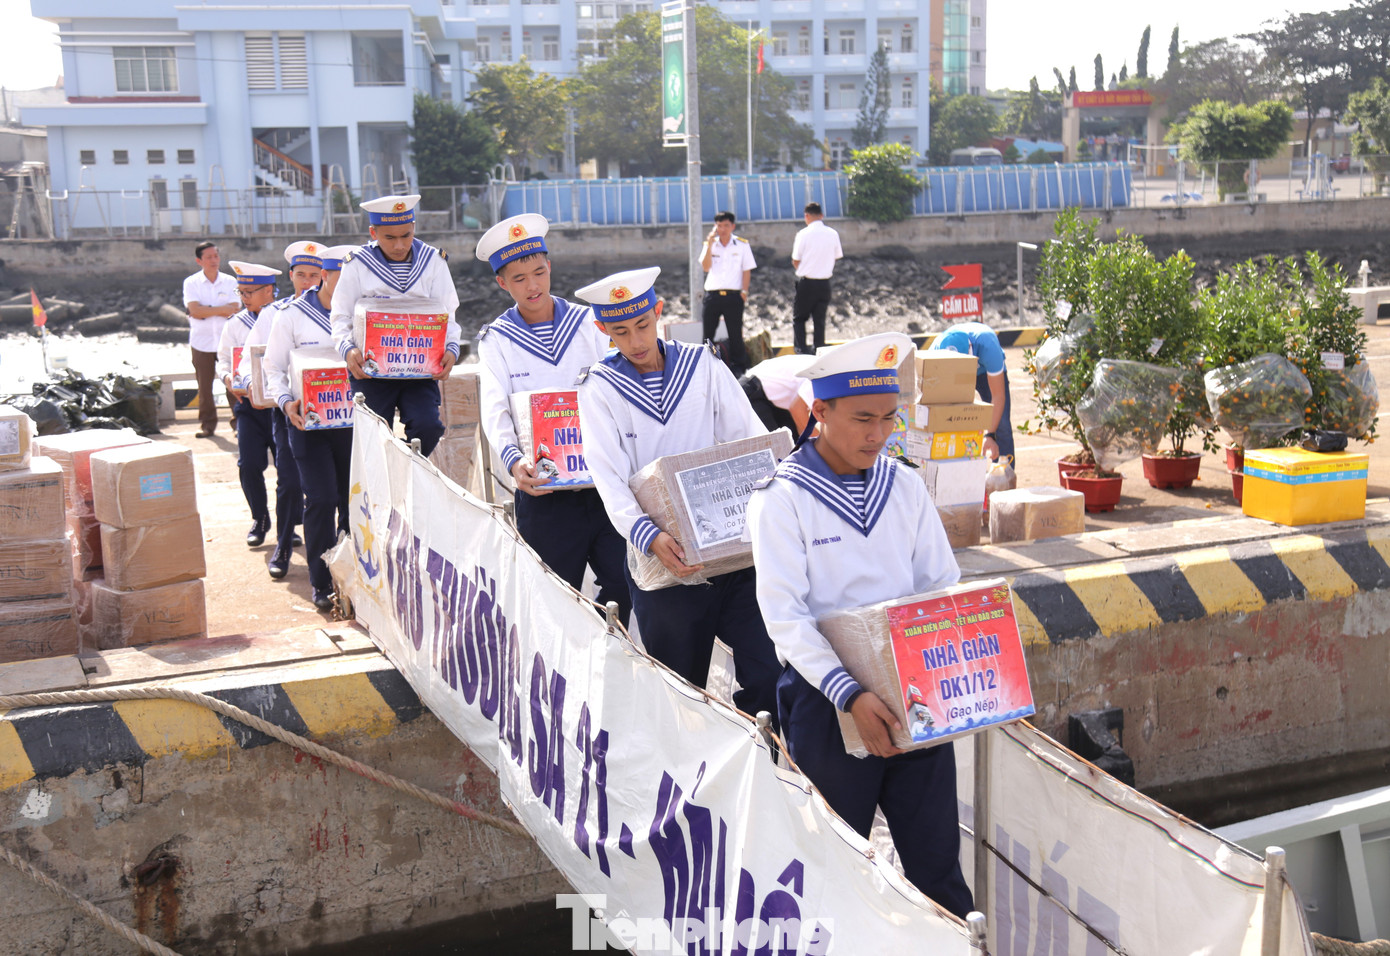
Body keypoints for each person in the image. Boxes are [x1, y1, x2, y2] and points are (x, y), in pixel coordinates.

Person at [746, 331, 974, 919]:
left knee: (938, 870)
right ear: (819, 411)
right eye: (863, 419)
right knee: (830, 870)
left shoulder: (905, 485)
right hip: (828, 703)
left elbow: (939, 585)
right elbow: (786, 619)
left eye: (889, 418)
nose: (878, 434)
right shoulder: (781, 499)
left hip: (914, 696)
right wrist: (850, 696)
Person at [577, 267, 781, 726]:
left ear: (659, 311)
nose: (636, 341)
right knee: (678, 691)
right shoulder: (599, 388)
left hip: (734, 552)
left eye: (643, 324)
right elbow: (608, 477)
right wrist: (649, 536)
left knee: (769, 675)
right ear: (603, 329)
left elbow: (749, 439)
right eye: (621, 332)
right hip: (663, 559)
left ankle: (762, 761)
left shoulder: (703, 364)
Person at [475, 213, 632, 627]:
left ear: (550, 266)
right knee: (551, 599)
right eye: (520, 278)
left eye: (539, 272)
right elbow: (494, 409)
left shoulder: (589, 324)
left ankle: (603, 655)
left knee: (623, 586)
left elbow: (619, 385)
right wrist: (514, 462)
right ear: (502, 283)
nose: (533, 285)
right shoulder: (497, 341)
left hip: (603, 484)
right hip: (543, 491)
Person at [330, 194, 461, 457]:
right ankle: (387, 467)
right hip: (371, 372)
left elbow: (448, 313)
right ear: (373, 233)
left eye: (406, 235)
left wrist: (451, 348)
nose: (399, 245)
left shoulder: (433, 261)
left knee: (428, 427)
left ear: (414, 228)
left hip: (420, 368)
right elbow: (341, 315)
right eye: (389, 237)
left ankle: (403, 462)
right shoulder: (357, 264)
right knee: (373, 436)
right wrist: (348, 349)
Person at [265, 244, 358, 611]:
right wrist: (286, 402)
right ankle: (321, 582)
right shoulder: (291, 316)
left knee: (353, 501)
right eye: (340, 277)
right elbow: (273, 368)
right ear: (325, 276)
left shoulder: (362, 314)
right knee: (320, 499)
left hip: (353, 423)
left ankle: (354, 576)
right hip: (308, 423)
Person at [242, 239, 324, 578]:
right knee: (289, 481)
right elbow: (250, 358)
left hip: (332, 413)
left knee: (330, 487)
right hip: (288, 409)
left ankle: (334, 553)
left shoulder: (337, 312)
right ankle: (284, 546)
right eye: (301, 275)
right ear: (290, 276)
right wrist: (250, 383)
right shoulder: (275, 313)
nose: (307, 282)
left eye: (314, 275)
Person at [216, 261, 283, 549]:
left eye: (249, 292)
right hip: (248, 408)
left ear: (268, 291)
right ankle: (260, 518)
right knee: (249, 464)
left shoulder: (285, 316)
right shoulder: (234, 324)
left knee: (287, 469)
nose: (243, 298)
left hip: (280, 407)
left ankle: (288, 523)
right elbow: (223, 361)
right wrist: (228, 378)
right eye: (240, 292)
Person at [929, 321, 1014, 462]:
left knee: (1002, 425)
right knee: (952, 418)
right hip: (951, 373)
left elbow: (998, 396)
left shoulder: (988, 346)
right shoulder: (935, 351)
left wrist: (990, 435)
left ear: (970, 350)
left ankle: (1003, 470)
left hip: (985, 370)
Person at [182, 241, 240, 438]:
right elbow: (195, 311)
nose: (214, 260)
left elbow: (235, 309)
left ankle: (239, 424)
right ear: (199, 260)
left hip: (228, 341)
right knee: (204, 387)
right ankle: (207, 426)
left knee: (234, 385)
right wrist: (221, 309)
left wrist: (206, 310)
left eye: (216, 256)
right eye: (209, 257)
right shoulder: (191, 283)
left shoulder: (230, 281)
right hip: (201, 342)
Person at [699, 211, 756, 375]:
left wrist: (744, 292)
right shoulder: (711, 244)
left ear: (732, 226)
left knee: (735, 332)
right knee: (708, 333)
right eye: (719, 226)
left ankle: (739, 367)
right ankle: (707, 363)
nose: (722, 229)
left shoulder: (742, 245)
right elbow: (705, 267)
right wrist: (709, 244)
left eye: (726, 225)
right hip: (713, 295)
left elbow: (746, 270)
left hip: (733, 295)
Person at [790, 202, 843, 354]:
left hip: (807, 282)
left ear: (806, 216)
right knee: (819, 320)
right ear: (821, 215)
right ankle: (819, 350)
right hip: (824, 283)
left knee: (799, 319)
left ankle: (802, 350)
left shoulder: (803, 234)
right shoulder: (832, 233)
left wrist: (806, 268)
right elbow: (836, 256)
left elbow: (795, 260)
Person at [739, 353, 814, 434]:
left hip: (772, 398)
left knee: (790, 438)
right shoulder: (819, 375)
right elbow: (797, 409)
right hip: (754, 390)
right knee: (772, 440)